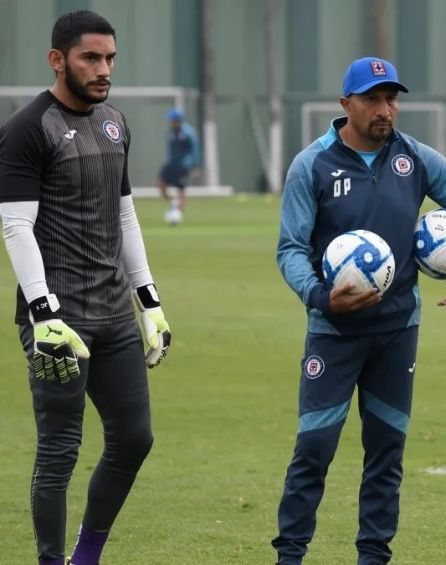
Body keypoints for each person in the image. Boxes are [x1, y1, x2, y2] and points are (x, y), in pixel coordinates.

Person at [272, 56, 446, 565]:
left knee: (386, 453)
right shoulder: (313, 165)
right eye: (372, 98)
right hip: (333, 331)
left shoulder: (414, 159)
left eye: (392, 98)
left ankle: (373, 557)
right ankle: (290, 556)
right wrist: (319, 296)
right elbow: (289, 248)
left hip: (397, 330)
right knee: (314, 450)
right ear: (345, 103)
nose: (385, 109)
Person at [0, 10, 171, 565]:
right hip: (58, 320)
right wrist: (43, 313)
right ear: (58, 60)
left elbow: (124, 217)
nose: (104, 70)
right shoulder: (27, 129)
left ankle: (86, 556)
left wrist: (149, 302)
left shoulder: (115, 122)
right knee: (59, 452)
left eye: (110, 59)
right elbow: (15, 225)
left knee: (135, 440)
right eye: (91, 58)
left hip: (114, 315)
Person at [157, 108, 201, 214]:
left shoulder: (188, 132)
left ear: (178, 120)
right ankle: (173, 202)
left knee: (181, 188)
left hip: (183, 165)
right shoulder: (170, 132)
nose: (171, 122)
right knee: (160, 184)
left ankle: (179, 213)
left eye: (172, 120)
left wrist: (195, 165)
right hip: (171, 163)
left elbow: (195, 149)